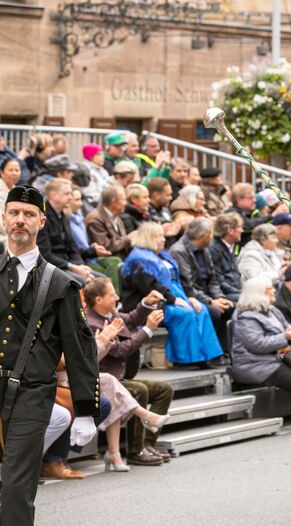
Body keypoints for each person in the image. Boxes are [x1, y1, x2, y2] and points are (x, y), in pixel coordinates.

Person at [0, 185, 100, 526]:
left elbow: (80, 348)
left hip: (31, 394)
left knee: (16, 486)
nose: (20, 220)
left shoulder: (60, 283)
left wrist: (85, 410)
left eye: (29, 214)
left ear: (41, 222)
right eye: (14, 213)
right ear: (4, 218)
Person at [83, 278, 173, 467]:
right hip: (105, 381)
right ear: (98, 300)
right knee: (139, 390)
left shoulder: (110, 313)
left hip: (120, 377)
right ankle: (135, 451)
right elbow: (120, 351)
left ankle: (147, 444)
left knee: (164, 389)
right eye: (112, 295)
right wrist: (148, 329)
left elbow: (131, 318)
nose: (116, 297)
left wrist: (145, 302)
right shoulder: (92, 323)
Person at [231, 274, 291, 431]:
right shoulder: (245, 317)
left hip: (275, 359)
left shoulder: (272, 310)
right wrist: (285, 337)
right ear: (259, 293)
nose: (274, 291)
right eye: (270, 289)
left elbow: (287, 328)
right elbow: (258, 345)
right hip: (254, 364)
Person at [120, 222, 223, 365]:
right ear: (148, 238)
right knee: (183, 313)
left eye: (163, 235)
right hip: (148, 305)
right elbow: (151, 289)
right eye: (159, 236)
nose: (163, 239)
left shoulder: (162, 256)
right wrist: (174, 300)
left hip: (169, 297)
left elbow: (177, 283)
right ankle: (186, 359)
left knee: (201, 309)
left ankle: (208, 355)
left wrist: (188, 298)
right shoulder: (139, 260)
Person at [169, 218, 234, 348]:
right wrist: (210, 302)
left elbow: (212, 280)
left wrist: (219, 297)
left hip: (205, 294)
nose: (213, 237)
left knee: (230, 306)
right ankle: (207, 350)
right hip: (189, 297)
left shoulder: (204, 248)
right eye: (211, 233)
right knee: (214, 312)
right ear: (203, 236)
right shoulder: (179, 251)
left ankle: (223, 349)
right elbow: (187, 286)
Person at [85, 184, 133, 258]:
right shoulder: (95, 219)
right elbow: (104, 247)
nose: (126, 203)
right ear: (113, 202)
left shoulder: (116, 216)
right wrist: (128, 239)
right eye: (123, 200)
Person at [208, 212, 244, 303]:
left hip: (236, 291)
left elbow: (236, 275)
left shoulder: (230, 246)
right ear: (230, 230)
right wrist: (241, 293)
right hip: (224, 294)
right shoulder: (213, 249)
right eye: (239, 227)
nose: (242, 230)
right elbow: (218, 281)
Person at [0, 157, 22, 250]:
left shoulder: (17, 190)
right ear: (2, 172)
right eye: (11, 170)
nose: (14, 173)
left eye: (17, 170)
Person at [80, 143, 110, 207]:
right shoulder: (85, 171)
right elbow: (91, 196)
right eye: (98, 154)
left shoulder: (103, 171)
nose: (103, 157)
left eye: (102, 154)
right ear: (90, 156)